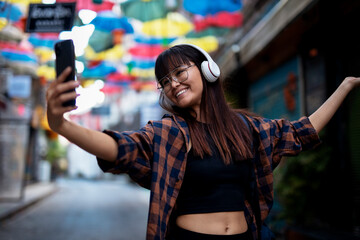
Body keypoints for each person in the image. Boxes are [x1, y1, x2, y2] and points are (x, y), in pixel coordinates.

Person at [46, 43, 360, 240]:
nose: (173, 84)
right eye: (165, 82)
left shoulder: (248, 129)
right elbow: (120, 148)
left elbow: (302, 132)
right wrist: (62, 125)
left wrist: (346, 85)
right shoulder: (168, 132)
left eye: (180, 72)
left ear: (208, 70)